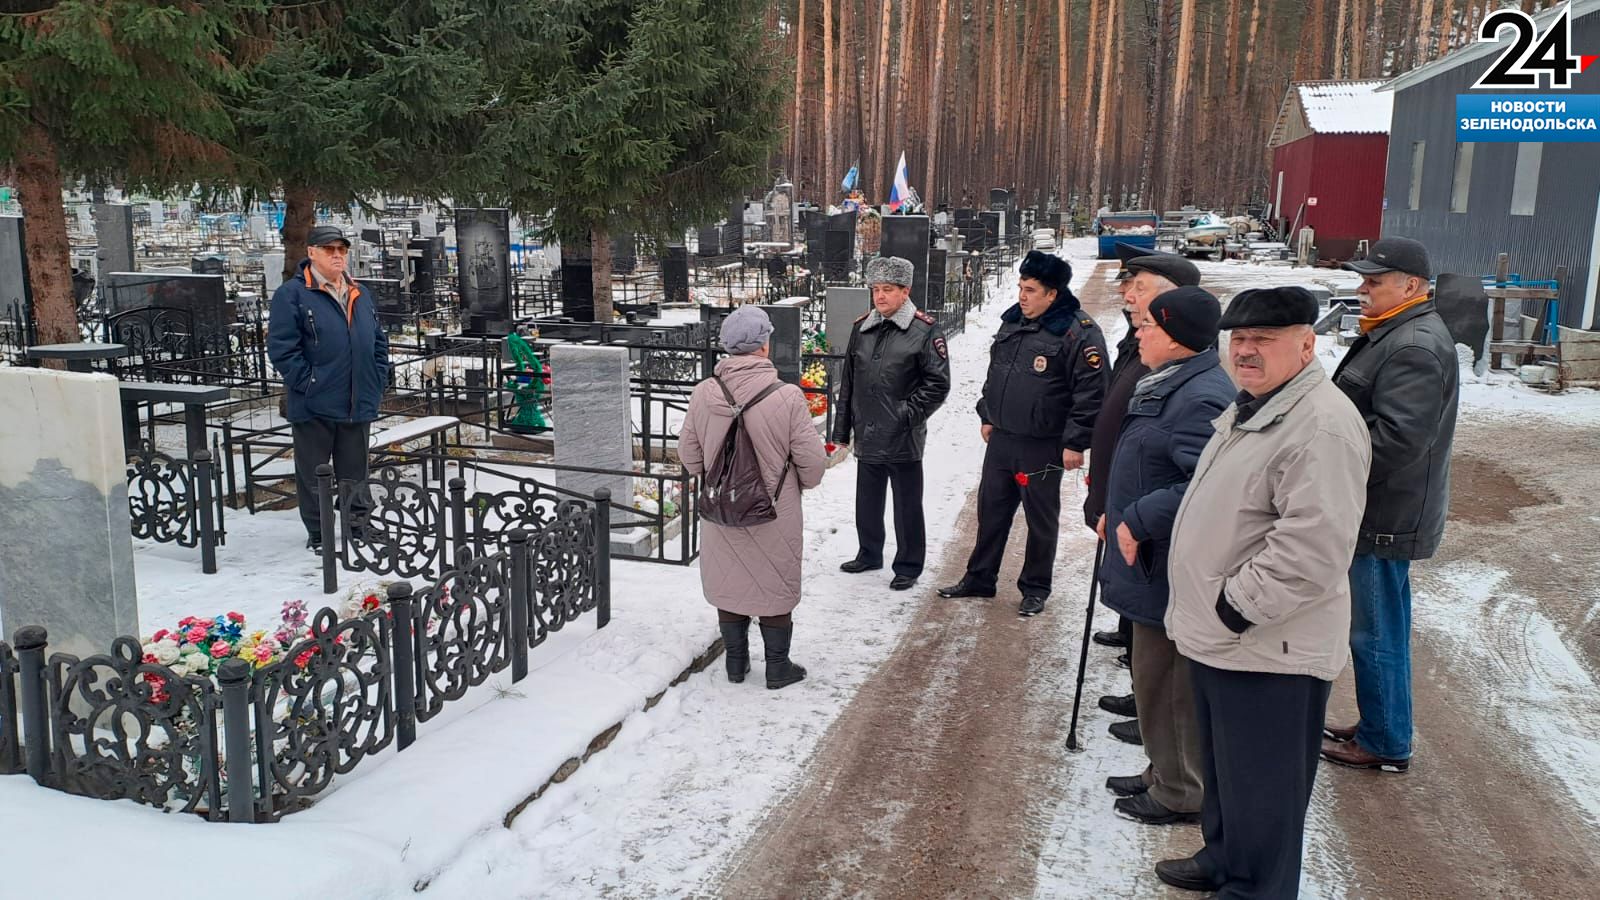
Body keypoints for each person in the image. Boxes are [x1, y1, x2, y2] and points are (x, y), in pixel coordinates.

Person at [1157, 287, 1370, 898]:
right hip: (1227, 639)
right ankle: (1224, 859)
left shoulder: (1321, 426)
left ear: (1306, 344)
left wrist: (1235, 607)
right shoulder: (1255, 404)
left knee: (1265, 787)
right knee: (1228, 774)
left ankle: (1257, 888)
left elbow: (1314, 548)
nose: (1247, 352)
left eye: (1265, 341)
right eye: (1240, 339)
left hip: (1268, 643)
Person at [1097, 286, 1234, 825]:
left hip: (1165, 563)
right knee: (1152, 677)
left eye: (1148, 325)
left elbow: (1204, 484)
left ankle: (1182, 789)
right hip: (1150, 558)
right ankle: (1163, 769)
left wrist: (1138, 517)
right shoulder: (1178, 379)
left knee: (1169, 682)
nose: (1138, 332)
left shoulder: (1201, 395)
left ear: (1175, 337)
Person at [1322, 236, 1459, 773]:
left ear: (1411, 286)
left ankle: (1384, 742)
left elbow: (1398, 440)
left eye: (1373, 281)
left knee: (1373, 632)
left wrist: (1330, 472)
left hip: (1382, 515)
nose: (1362, 289)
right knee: (1382, 628)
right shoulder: (1398, 332)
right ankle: (1383, 723)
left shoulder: (1414, 346)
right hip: (1382, 510)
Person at [938, 250, 1109, 617]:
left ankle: (1035, 586)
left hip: (1043, 445)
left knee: (1040, 519)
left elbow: (1091, 392)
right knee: (991, 512)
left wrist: (1076, 441)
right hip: (1002, 439)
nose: (1022, 296)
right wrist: (987, 413)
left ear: (1053, 294)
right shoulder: (1012, 322)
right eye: (1020, 287)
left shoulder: (1078, 332)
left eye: (1031, 290)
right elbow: (996, 372)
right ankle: (980, 578)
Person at [679, 305, 828, 690]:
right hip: (774, 509)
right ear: (764, 345)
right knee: (772, 582)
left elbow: (690, 457)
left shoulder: (704, 393)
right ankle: (778, 667)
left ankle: (735, 663)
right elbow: (812, 463)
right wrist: (800, 484)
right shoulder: (788, 397)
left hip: (722, 506)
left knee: (730, 579)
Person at [1085, 246, 1203, 726]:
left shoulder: (1184, 365)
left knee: (1156, 615)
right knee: (1138, 610)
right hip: (1125, 493)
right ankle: (1145, 695)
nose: (1129, 295)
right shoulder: (1137, 344)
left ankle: (1156, 715)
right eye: (1130, 287)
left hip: (1147, 510)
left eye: (1140, 288)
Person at [266, 224, 390, 554]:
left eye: (342, 250)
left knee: (355, 469)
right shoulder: (292, 295)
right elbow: (282, 348)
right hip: (315, 401)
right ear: (312, 253)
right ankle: (319, 532)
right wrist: (308, 382)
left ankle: (358, 524)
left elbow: (378, 341)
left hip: (357, 397)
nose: (337, 256)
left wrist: (377, 378)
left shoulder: (359, 292)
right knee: (315, 472)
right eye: (329, 249)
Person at [832, 255, 952, 591]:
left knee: (906, 506)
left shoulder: (924, 330)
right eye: (875, 290)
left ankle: (909, 564)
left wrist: (905, 415)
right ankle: (869, 552)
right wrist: (842, 431)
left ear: (905, 291)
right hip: (868, 431)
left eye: (887, 289)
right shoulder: (862, 328)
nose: (880, 296)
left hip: (902, 437)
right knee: (867, 501)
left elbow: (938, 384)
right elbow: (849, 384)